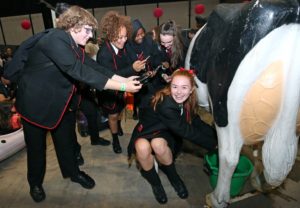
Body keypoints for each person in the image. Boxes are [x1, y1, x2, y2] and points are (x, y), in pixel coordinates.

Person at [15, 6, 141, 203]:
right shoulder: (54, 40)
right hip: (35, 104)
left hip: (62, 101)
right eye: (87, 30)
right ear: (73, 25)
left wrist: (122, 79)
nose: (91, 36)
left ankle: (73, 173)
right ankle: (35, 183)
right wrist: (124, 87)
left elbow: (92, 66)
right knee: (36, 149)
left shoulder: (73, 44)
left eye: (92, 31)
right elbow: (78, 71)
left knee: (66, 144)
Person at [127, 68, 217, 204]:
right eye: (174, 86)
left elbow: (195, 121)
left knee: (158, 145)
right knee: (141, 147)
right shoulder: (167, 104)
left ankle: (174, 178)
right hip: (148, 130)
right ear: (170, 85)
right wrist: (214, 145)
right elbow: (186, 131)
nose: (179, 92)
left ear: (192, 89)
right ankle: (156, 184)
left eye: (184, 87)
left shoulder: (189, 100)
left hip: (164, 130)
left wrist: (217, 137)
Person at [97, 11, 146, 154]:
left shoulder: (125, 46)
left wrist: (139, 67)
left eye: (125, 36)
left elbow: (131, 62)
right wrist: (132, 68)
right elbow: (109, 77)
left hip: (124, 89)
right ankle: (115, 139)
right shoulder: (103, 54)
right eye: (119, 37)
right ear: (110, 35)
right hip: (109, 91)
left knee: (120, 112)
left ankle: (118, 125)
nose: (123, 40)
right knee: (112, 115)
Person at [126, 19, 163, 120]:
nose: (140, 37)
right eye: (137, 35)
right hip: (136, 78)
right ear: (132, 36)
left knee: (151, 101)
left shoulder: (149, 41)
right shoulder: (127, 46)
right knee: (137, 99)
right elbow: (127, 65)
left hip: (150, 78)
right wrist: (135, 68)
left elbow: (156, 58)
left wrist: (154, 69)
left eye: (142, 33)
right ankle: (135, 111)